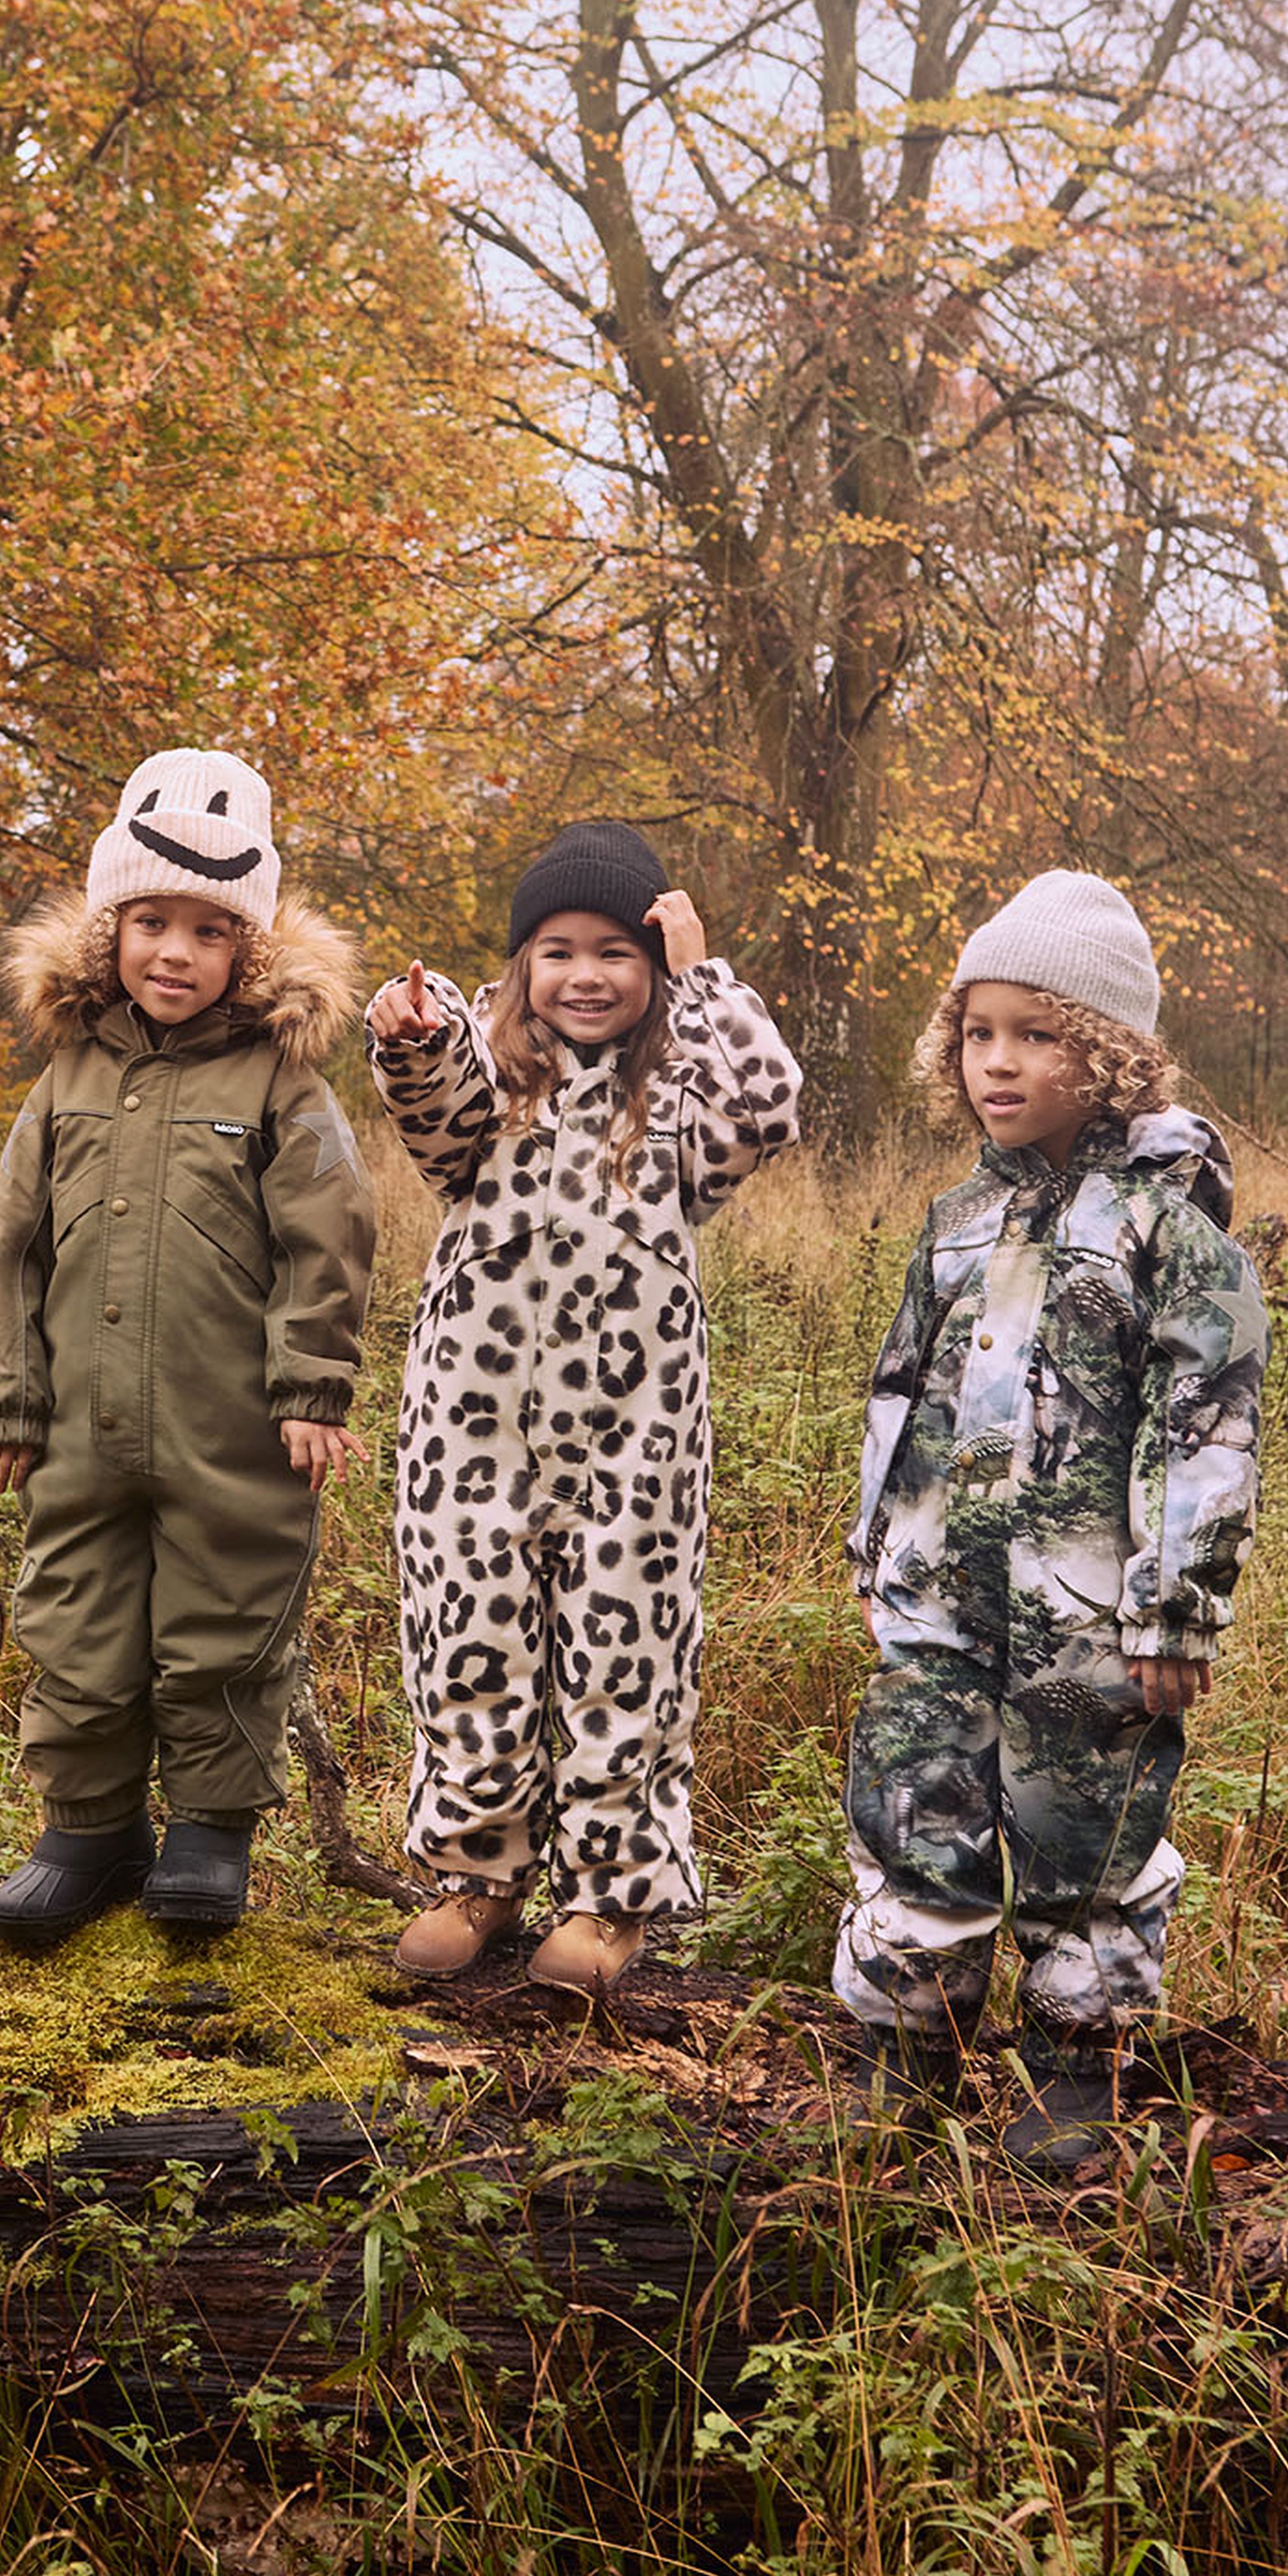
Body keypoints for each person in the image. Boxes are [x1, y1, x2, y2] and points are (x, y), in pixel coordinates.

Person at [836, 866, 1268, 2164]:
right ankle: (908, 2040)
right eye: (978, 1031)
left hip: (1090, 1612)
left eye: (1037, 1034)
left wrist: (1175, 1607)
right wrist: (880, 1547)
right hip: (940, 1592)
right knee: (913, 1794)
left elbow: (1207, 1426)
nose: (999, 1061)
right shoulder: (958, 1220)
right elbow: (900, 1388)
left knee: (1087, 1821)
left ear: (1112, 1054)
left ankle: (1081, 2057)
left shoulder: (1168, 1230)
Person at [366, 820, 802, 1997]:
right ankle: (478, 1872)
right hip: (473, 1428)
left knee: (627, 1655)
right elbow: (433, 1112)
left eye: (618, 951)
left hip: (635, 1437)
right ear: (522, 965)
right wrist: (413, 1038)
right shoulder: (489, 1078)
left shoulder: (681, 1100)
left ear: (654, 970)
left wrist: (703, 978)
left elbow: (768, 1106)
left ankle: (611, 1893)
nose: (587, 975)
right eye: (558, 950)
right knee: (469, 1642)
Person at [0, 747, 374, 1949]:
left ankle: (207, 1830)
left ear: (252, 950)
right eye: (151, 923)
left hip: (229, 1424)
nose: (176, 953)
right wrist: (8, 1400)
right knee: (76, 1617)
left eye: (209, 930)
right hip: (79, 1426)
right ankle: (89, 1831)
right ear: (110, 935)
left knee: (225, 1613)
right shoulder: (70, 1072)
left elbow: (328, 1232)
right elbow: (10, 1243)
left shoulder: (280, 1081)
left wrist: (312, 1385)